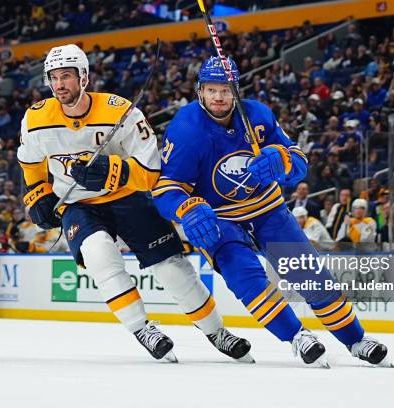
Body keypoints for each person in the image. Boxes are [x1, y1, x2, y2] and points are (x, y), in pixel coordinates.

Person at [16, 44, 251, 363]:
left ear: (84, 77)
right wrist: (37, 194)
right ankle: (142, 329)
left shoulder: (120, 111)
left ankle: (216, 332)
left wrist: (114, 171)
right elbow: (30, 162)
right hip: (80, 205)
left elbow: (152, 171)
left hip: (128, 197)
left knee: (172, 269)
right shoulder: (36, 118)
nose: (59, 85)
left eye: (67, 76)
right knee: (98, 254)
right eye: (54, 78)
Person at [153, 56, 390, 367]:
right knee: (247, 279)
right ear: (200, 91)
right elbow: (164, 187)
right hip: (219, 219)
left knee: (311, 274)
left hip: (268, 209)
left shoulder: (258, 115)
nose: (219, 97)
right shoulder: (185, 129)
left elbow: (298, 157)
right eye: (212, 90)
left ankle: (356, 339)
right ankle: (297, 337)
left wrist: (284, 161)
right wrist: (186, 208)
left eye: (226, 90)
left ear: (236, 90)